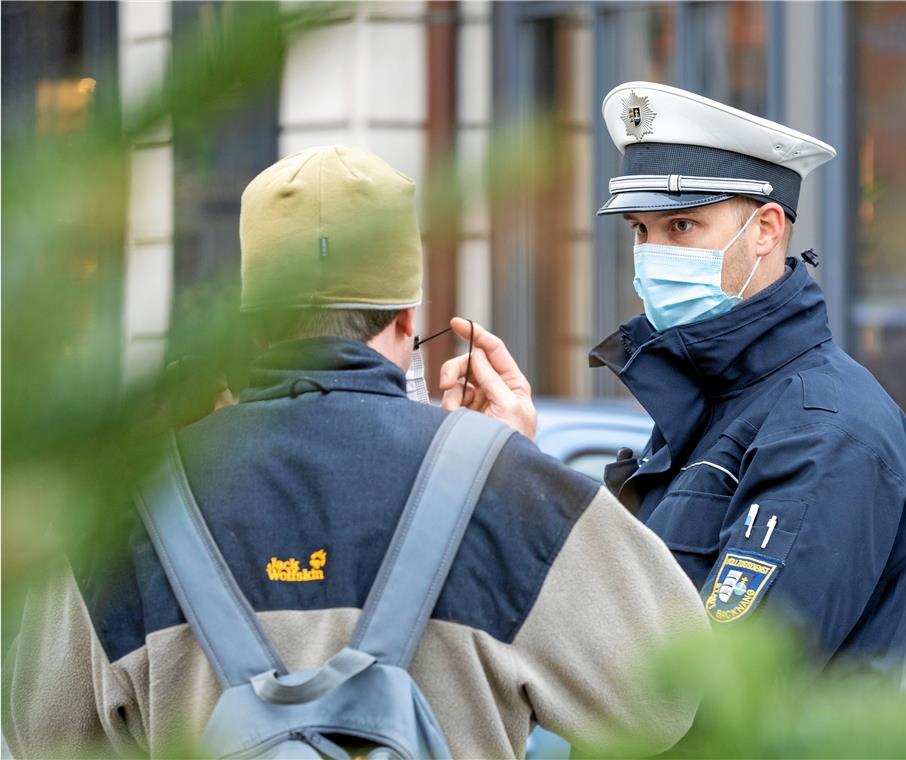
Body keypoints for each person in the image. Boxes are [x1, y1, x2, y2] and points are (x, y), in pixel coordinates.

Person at [1, 145, 706, 758]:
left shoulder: (126, 506)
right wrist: (507, 469)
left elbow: (42, 732)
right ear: (407, 318)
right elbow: (668, 703)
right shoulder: (504, 486)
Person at [447, 82, 906, 678]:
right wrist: (511, 466)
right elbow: (624, 621)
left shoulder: (821, 430)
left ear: (766, 229)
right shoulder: (718, 401)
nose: (653, 253)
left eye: (681, 225)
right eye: (640, 230)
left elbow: (713, 696)